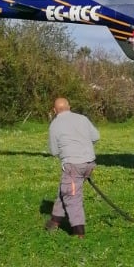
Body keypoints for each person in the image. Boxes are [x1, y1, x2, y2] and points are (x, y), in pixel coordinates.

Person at [46, 97, 99, 237]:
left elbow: (54, 151)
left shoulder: (54, 125)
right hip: (89, 163)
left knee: (71, 195)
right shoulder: (82, 118)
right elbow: (95, 137)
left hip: (73, 165)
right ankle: (55, 221)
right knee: (65, 188)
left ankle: (78, 232)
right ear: (69, 107)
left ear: (54, 110)